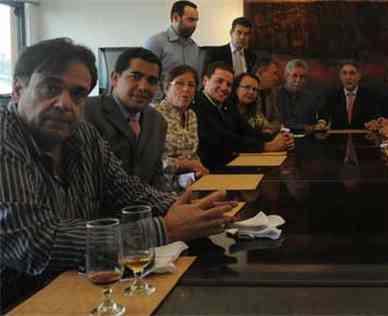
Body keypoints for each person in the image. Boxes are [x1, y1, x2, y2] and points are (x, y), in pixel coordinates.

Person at [0, 38, 236, 311]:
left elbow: (125, 189)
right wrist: (164, 229)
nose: (64, 103)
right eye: (50, 88)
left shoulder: (82, 134)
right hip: (17, 300)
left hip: (79, 284)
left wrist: (187, 209)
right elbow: (34, 242)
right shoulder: (5, 140)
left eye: (77, 94)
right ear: (18, 90)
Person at [84, 48, 168, 190]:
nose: (143, 87)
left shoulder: (158, 122)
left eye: (152, 81)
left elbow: (157, 177)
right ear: (115, 78)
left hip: (147, 207)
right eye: (135, 77)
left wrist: (173, 205)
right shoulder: (87, 112)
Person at [192, 62, 293, 172]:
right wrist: (266, 146)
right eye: (219, 81)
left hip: (229, 163)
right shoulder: (197, 104)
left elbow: (247, 131)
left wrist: (280, 139)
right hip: (207, 169)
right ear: (205, 81)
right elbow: (223, 139)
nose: (224, 88)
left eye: (229, 84)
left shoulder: (226, 104)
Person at [154, 65, 208, 191]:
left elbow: (193, 154)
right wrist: (184, 164)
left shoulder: (191, 115)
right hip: (161, 190)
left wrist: (199, 170)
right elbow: (150, 163)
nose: (186, 89)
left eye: (191, 85)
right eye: (179, 83)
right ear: (166, 88)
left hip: (190, 183)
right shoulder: (155, 115)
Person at [144, 1, 201, 76]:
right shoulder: (155, 42)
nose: (194, 25)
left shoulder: (194, 46)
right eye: (190, 20)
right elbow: (145, 76)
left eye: (196, 20)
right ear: (176, 17)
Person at [318, 61, 379, 130]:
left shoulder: (370, 96)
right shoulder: (332, 96)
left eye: (352, 73)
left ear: (359, 76)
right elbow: (324, 113)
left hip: (363, 137)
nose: (348, 77)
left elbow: (375, 116)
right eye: (344, 73)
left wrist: (374, 122)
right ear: (340, 76)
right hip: (337, 138)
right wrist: (322, 122)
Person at [276, 59, 322, 134]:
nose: (298, 80)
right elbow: (280, 123)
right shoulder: (275, 95)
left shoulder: (310, 97)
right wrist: (305, 128)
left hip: (306, 140)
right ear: (286, 76)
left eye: (302, 77)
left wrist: (320, 125)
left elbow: (313, 123)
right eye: (294, 76)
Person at [253, 57, 282, 133]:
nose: (277, 78)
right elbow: (254, 119)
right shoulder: (248, 91)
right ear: (261, 71)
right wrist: (269, 127)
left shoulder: (272, 91)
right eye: (274, 73)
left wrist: (271, 129)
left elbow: (278, 119)